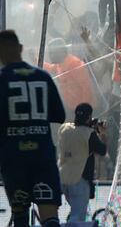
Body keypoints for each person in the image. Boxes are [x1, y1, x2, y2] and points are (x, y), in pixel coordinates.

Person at [0, 29, 66, 227]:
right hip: (42, 156)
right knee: (50, 216)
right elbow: (59, 116)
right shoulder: (43, 77)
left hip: (14, 158)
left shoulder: (2, 79)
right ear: (20, 48)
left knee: (20, 215)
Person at [58, 103, 108, 223]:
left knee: (74, 214)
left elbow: (77, 132)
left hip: (62, 177)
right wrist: (102, 133)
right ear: (89, 116)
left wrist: (90, 126)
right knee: (77, 218)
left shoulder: (64, 129)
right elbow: (102, 150)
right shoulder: (89, 134)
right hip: (79, 179)